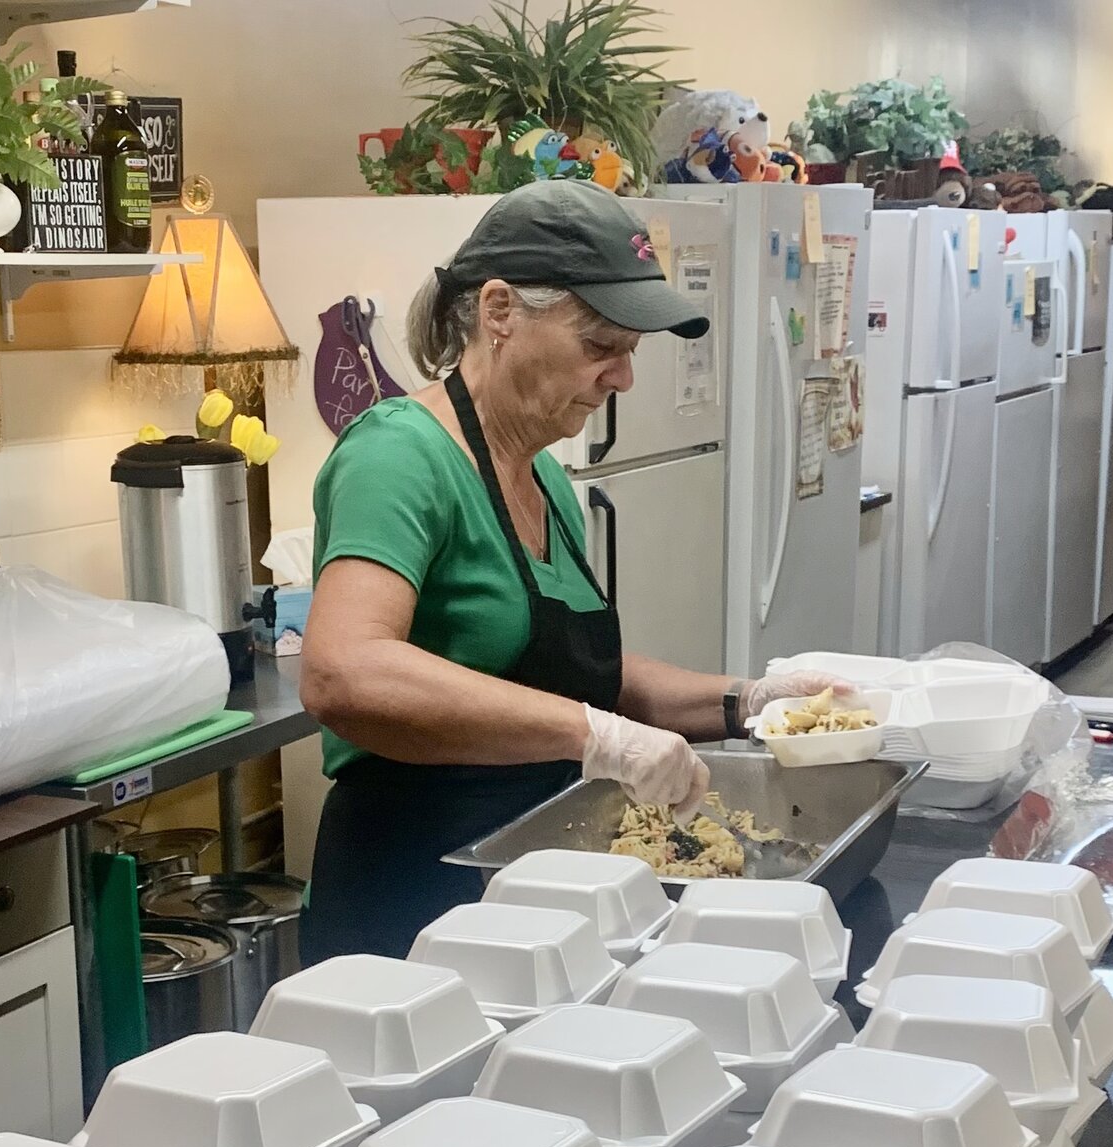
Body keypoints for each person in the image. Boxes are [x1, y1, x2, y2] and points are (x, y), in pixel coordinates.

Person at [298, 178, 842, 961]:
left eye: (629, 352)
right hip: (416, 890)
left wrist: (751, 703)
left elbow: (581, 677)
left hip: (530, 883)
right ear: (498, 313)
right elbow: (342, 673)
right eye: (600, 347)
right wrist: (596, 737)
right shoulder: (398, 454)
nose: (622, 378)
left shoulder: (544, 473)